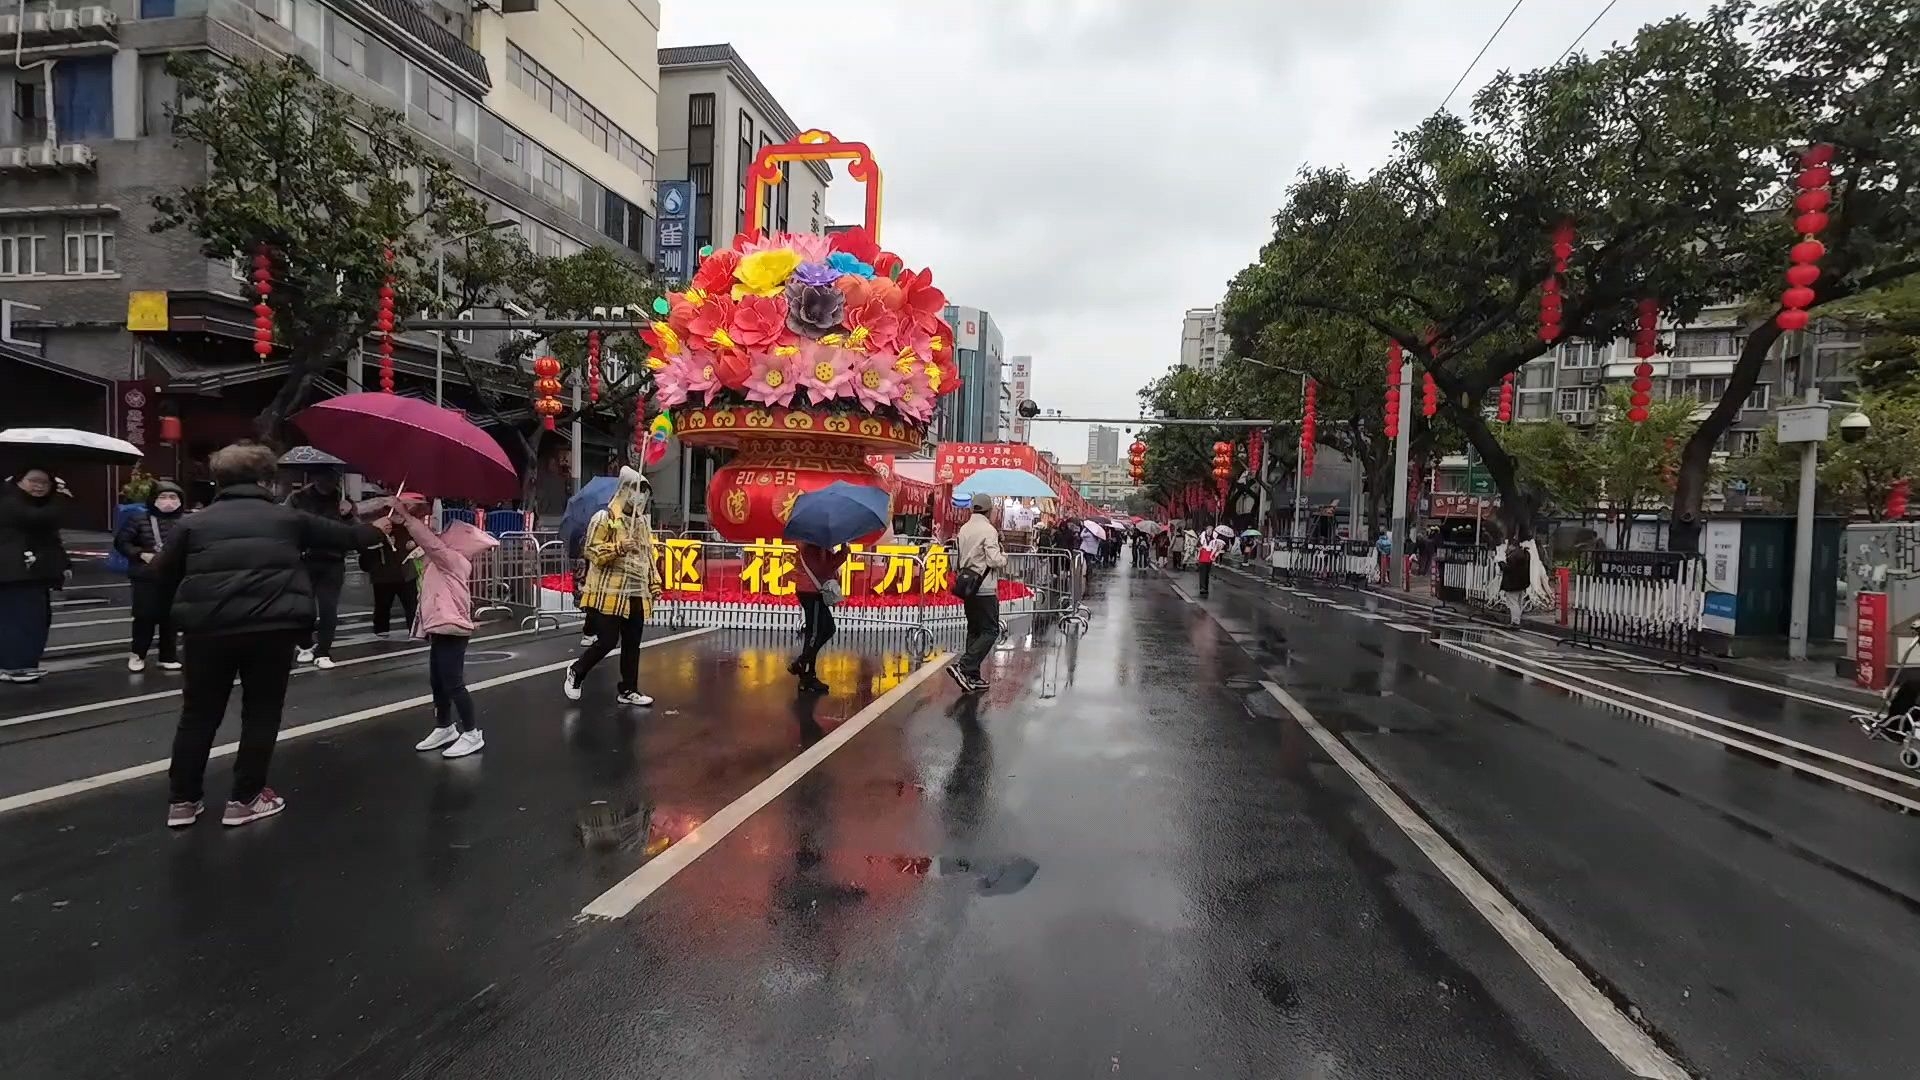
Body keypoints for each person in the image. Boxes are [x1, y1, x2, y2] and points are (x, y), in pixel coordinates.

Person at [154, 443, 381, 828]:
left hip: (207, 631)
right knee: (260, 714)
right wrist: (382, 524)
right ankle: (245, 798)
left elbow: (162, 573)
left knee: (197, 715)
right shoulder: (287, 520)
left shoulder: (193, 524)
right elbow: (349, 539)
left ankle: (183, 801)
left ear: (218, 479)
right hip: (271, 629)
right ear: (265, 479)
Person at [390, 498, 499, 758]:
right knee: (438, 681)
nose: (441, 536)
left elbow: (430, 543)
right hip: (440, 627)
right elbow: (426, 546)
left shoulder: (453, 560)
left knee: (453, 683)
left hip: (452, 627)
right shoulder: (441, 561)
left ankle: (472, 733)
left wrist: (406, 516)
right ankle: (444, 727)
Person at [564, 468, 662, 707]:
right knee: (607, 640)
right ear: (625, 490)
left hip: (636, 592)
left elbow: (648, 555)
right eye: (637, 491)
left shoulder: (641, 523)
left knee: (632, 643)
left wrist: (655, 583)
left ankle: (629, 689)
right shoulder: (604, 518)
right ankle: (577, 671)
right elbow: (591, 550)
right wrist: (618, 547)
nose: (640, 498)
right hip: (609, 592)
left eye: (645, 494)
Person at [0, 467, 70, 683]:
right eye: (33, 481)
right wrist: (60, 498)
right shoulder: (9, 501)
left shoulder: (34, 504)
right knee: (22, 621)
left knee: (35, 620)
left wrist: (64, 564)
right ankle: (16, 666)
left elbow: (51, 537)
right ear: (19, 481)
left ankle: (18, 664)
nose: (39, 486)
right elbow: (38, 519)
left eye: (45, 483)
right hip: (15, 573)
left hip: (32, 573)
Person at [116, 479, 187, 672]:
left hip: (175, 576)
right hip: (146, 576)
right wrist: (140, 554)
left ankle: (167, 656)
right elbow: (122, 542)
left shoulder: (186, 522)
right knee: (144, 616)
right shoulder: (139, 519)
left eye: (173, 497)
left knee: (171, 618)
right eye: (162, 496)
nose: (168, 501)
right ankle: (138, 654)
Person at [287, 471, 352, 669]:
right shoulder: (298, 499)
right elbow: (287, 523)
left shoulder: (343, 500)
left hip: (333, 560)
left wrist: (348, 514)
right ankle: (305, 645)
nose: (328, 482)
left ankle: (323, 650)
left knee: (328, 608)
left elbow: (352, 532)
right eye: (324, 477)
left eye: (332, 478)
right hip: (306, 558)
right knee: (303, 607)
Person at [951, 492, 1007, 692]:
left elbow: (958, 558)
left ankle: (971, 676)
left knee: (974, 630)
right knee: (991, 630)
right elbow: (993, 560)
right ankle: (964, 665)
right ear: (989, 510)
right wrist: (1003, 557)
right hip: (984, 588)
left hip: (968, 586)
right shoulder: (988, 530)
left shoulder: (964, 529)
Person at [790, 540, 849, 694]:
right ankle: (804, 668)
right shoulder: (815, 545)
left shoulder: (813, 543)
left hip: (810, 589)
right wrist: (843, 553)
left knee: (823, 630)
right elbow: (823, 569)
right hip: (812, 591)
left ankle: (806, 672)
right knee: (816, 633)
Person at [359, 510, 418, 639]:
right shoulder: (377, 530)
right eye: (396, 514)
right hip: (383, 575)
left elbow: (420, 542)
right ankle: (381, 630)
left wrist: (414, 543)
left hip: (405, 573)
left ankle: (414, 629)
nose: (399, 517)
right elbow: (365, 553)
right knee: (382, 605)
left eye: (401, 514)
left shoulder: (408, 528)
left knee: (411, 605)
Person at [1499, 536, 1533, 627]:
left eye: (1508, 546)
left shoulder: (1513, 556)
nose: (1507, 548)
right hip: (1522, 583)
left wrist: (1501, 563)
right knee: (1518, 602)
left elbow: (1509, 569)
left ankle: (1515, 622)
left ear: (1512, 546)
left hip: (1512, 583)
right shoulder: (1525, 554)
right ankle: (1517, 619)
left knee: (1513, 603)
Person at [1197, 529, 1225, 598]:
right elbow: (1197, 546)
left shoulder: (1214, 539)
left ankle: (1206, 587)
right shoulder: (1202, 537)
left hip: (1209, 558)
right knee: (1202, 573)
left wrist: (1217, 551)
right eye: (1208, 531)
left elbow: (1216, 548)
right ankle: (1202, 588)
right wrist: (1199, 548)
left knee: (1207, 574)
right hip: (1202, 557)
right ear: (1206, 531)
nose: (1209, 532)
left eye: (1210, 531)